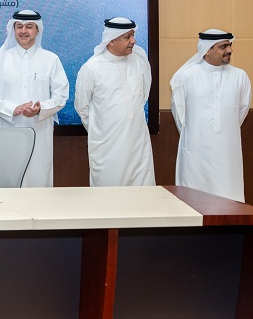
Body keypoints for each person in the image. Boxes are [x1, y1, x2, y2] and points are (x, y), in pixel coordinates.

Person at [0, 10, 69, 187]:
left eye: (29, 27)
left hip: (40, 132)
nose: (23, 31)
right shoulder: (2, 59)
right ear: (13, 29)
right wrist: (12, 109)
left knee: (38, 177)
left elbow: (61, 95)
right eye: (19, 26)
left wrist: (40, 108)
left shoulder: (51, 59)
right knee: (10, 176)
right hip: (9, 130)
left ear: (38, 30)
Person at [170, 29, 251, 202]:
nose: (229, 50)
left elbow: (242, 111)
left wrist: (223, 130)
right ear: (207, 49)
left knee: (229, 199)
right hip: (196, 152)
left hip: (227, 152)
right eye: (223, 47)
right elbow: (179, 113)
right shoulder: (186, 76)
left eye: (230, 45)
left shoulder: (240, 76)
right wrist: (194, 134)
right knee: (194, 200)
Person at [74, 17, 154, 186]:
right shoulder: (92, 68)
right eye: (127, 37)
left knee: (142, 193)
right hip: (107, 146)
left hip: (138, 143)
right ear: (111, 40)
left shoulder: (139, 61)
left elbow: (143, 96)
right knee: (109, 193)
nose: (133, 41)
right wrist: (100, 130)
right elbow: (82, 107)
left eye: (133, 35)